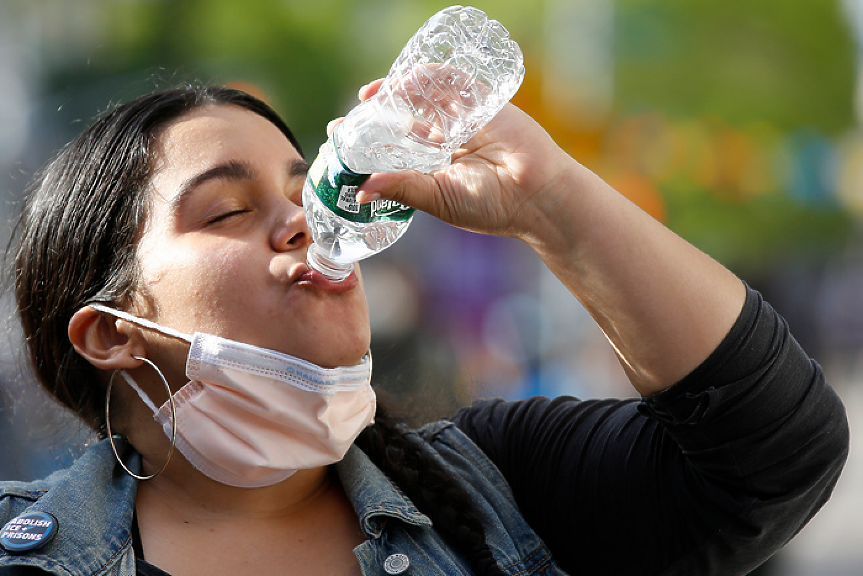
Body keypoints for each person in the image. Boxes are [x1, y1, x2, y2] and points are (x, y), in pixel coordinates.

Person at [0, 80, 848, 576]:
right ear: (111, 334)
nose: (301, 221)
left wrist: (547, 200)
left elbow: (773, 460)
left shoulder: (496, 491)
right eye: (226, 209)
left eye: (304, 192)